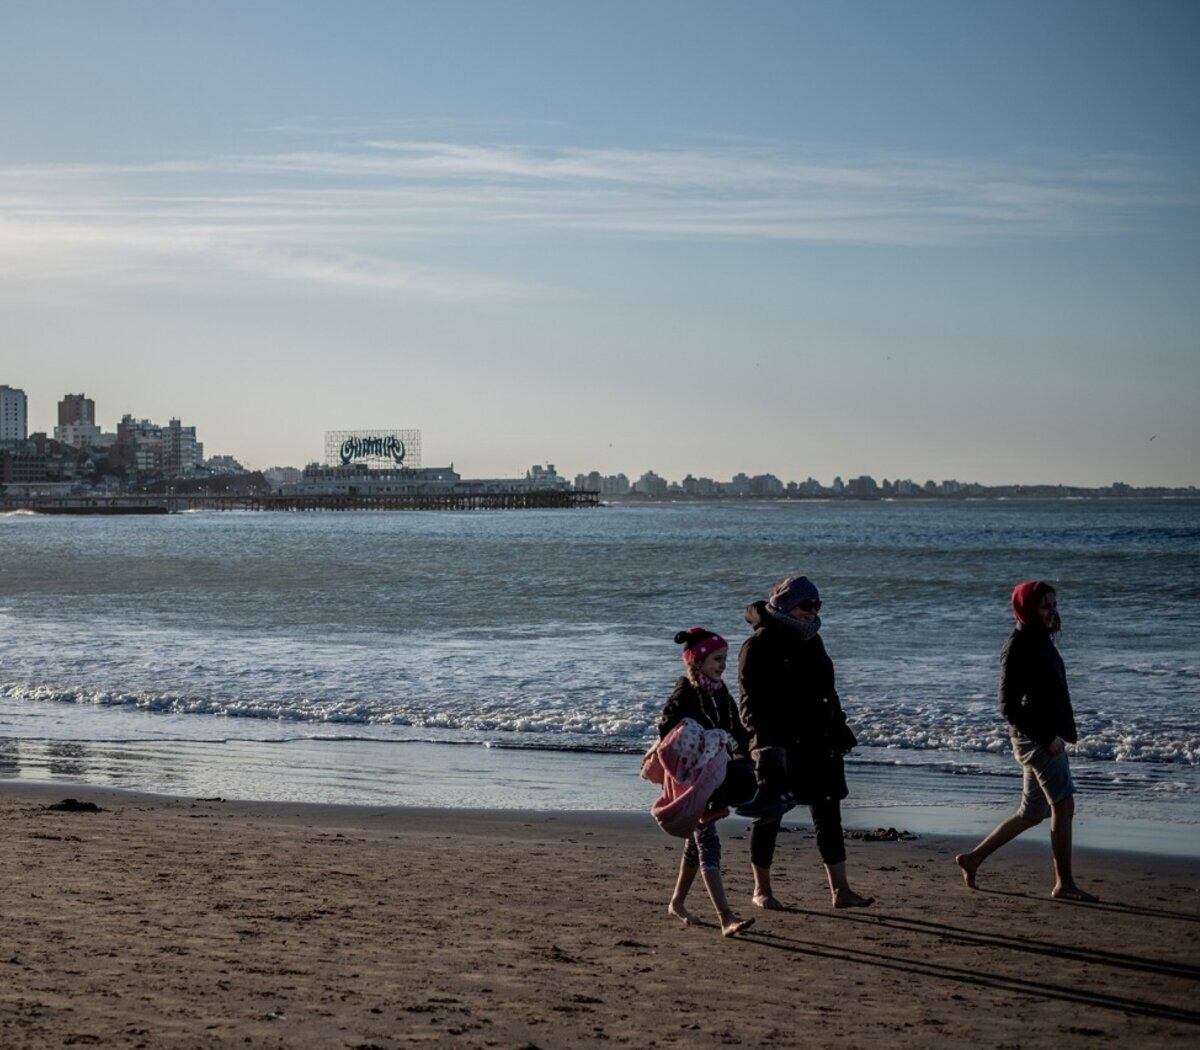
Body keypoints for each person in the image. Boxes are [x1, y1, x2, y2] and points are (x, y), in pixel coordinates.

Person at [738, 576, 874, 910]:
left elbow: (828, 692)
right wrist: (763, 748)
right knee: (770, 815)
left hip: (821, 742)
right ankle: (762, 890)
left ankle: (840, 891)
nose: (811, 612)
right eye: (805, 606)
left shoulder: (814, 641)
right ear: (785, 604)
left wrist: (840, 729)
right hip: (779, 747)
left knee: (829, 815)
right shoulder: (759, 644)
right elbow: (749, 704)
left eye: (816, 605)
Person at [956, 582, 1098, 901]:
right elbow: (1006, 704)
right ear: (1026, 607)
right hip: (1037, 740)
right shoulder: (1018, 644)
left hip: (1043, 737)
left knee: (1031, 813)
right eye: (1045, 605)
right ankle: (1064, 884)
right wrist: (1047, 738)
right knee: (1063, 804)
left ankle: (973, 859)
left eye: (1054, 604)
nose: (1052, 610)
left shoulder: (1040, 638)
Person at [658, 627, 756, 936]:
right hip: (691, 780)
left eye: (725, 658)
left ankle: (677, 902)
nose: (723, 664)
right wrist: (695, 742)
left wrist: (746, 750)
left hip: (715, 777)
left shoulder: (720, 691)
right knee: (707, 842)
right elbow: (667, 731)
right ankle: (726, 917)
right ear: (697, 660)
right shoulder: (685, 692)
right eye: (717, 658)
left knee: (695, 843)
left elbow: (736, 727)